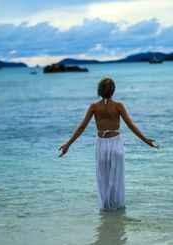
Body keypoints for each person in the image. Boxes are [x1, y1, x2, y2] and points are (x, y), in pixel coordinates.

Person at [58, 77, 159, 210]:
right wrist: (146, 141)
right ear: (113, 90)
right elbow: (131, 126)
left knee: (103, 177)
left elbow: (81, 127)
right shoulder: (118, 106)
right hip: (116, 144)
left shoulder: (94, 107)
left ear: (99, 90)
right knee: (117, 177)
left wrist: (68, 144)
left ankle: (106, 208)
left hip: (101, 145)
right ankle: (117, 208)